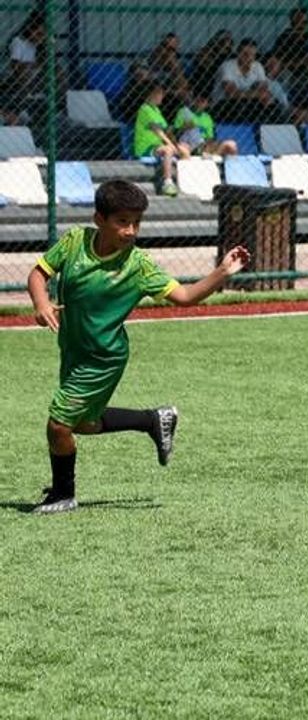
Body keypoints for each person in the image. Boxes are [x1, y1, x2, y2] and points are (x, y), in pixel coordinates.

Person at [25, 180, 251, 514]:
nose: (131, 231)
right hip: (73, 351)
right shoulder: (75, 241)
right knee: (81, 424)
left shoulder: (139, 266)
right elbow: (38, 274)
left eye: (136, 223)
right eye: (122, 222)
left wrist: (222, 272)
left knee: (58, 424)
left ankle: (63, 494)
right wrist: (41, 303)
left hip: (103, 357)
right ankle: (153, 419)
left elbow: (185, 297)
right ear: (99, 219)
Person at [134, 83, 188, 196]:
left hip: (157, 146)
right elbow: (158, 131)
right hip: (146, 147)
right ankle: (168, 183)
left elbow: (167, 130)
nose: (162, 96)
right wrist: (171, 145)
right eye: (160, 93)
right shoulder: (145, 109)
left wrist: (178, 145)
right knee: (168, 150)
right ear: (151, 94)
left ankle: (184, 183)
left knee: (185, 148)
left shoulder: (156, 110)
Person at [173, 92, 238, 158]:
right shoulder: (183, 112)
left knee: (231, 144)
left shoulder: (208, 118)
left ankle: (210, 157)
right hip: (187, 143)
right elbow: (175, 133)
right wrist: (185, 127)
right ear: (193, 100)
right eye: (197, 100)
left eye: (202, 101)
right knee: (184, 148)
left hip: (203, 145)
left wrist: (206, 145)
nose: (199, 103)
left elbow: (210, 137)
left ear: (207, 104)